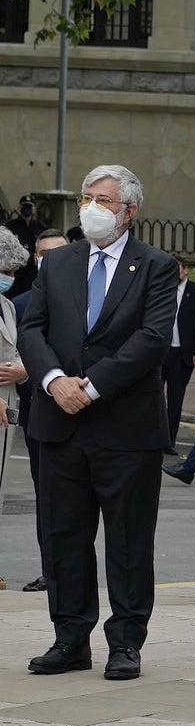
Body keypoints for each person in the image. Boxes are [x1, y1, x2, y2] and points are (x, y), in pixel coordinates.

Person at [18, 165, 178, 681]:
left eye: (104, 200)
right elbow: (32, 328)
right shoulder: (59, 263)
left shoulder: (155, 265)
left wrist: (89, 386)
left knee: (129, 540)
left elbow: (151, 340)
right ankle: (70, 638)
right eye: (87, 197)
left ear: (130, 210)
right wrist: (53, 380)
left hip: (125, 428)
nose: (91, 207)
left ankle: (126, 641)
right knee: (62, 536)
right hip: (57, 422)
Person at [11, 229, 68, 593]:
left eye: (58, 253)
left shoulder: (90, 300)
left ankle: (73, 571)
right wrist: (24, 374)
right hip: (38, 416)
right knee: (46, 496)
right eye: (44, 253)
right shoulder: (19, 305)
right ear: (35, 259)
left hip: (82, 409)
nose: (50, 260)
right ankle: (51, 570)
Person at [0, 227, 30, 591]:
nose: (9, 277)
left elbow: (16, 351)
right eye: (4, 269)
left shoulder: (8, 305)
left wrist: (24, 369)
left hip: (9, 402)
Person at [161, 255, 195, 455]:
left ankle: (169, 440)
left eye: (176, 269)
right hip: (160, 352)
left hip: (182, 354)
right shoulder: (161, 288)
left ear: (185, 270)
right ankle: (152, 436)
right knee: (153, 397)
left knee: (176, 398)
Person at [5, 195, 45, 299]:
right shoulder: (10, 227)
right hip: (17, 274)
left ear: (34, 209)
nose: (27, 209)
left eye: (29, 206)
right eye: (24, 206)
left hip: (33, 274)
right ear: (19, 208)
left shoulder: (40, 228)